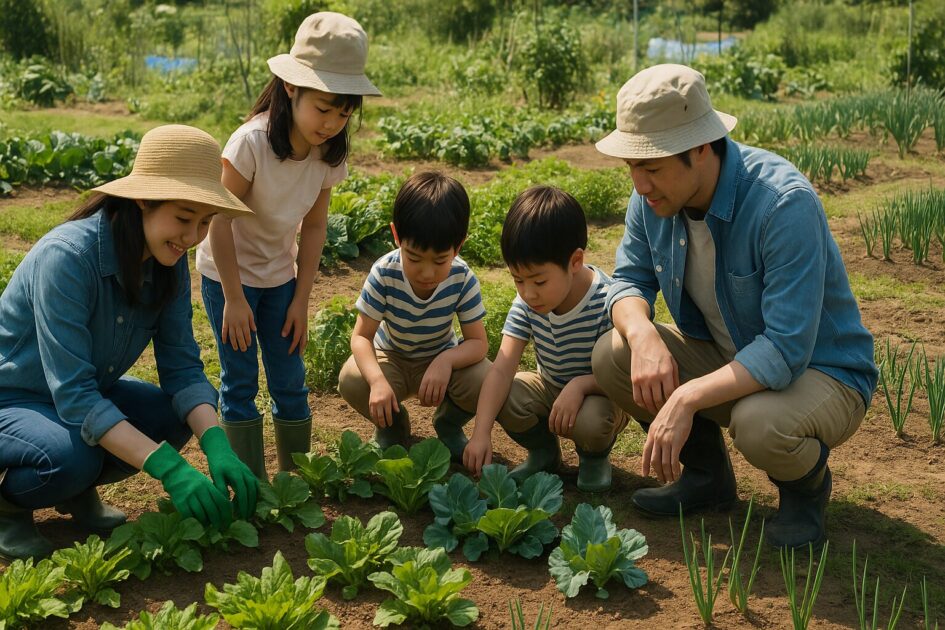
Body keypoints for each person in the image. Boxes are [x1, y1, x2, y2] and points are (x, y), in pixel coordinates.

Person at [591, 64, 877, 547]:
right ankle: (706, 478)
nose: (640, 184)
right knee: (613, 354)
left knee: (759, 423)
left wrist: (686, 396)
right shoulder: (653, 199)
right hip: (730, 358)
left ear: (701, 148)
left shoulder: (783, 204)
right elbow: (628, 280)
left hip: (823, 372)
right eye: (632, 167)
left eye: (652, 167)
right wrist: (642, 337)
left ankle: (805, 492)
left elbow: (785, 349)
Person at [0, 125, 259, 561]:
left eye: (204, 222)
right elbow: (77, 397)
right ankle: (8, 506)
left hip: (78, 396)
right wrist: (169, 469)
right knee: (69, 458)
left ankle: (75, 493)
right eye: (182, 218)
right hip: (13, 399)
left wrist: (217, 442)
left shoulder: (169, 262)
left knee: (173, 417)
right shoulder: (68, 258)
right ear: (142, 199)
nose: (192, 237)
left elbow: (181, 369)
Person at [196, 12, 381, 478]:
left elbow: (315, 228)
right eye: (325, 108)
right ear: (292, 88)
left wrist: (301, 299)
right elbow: (218, 218)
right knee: (239, 379)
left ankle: (293, 482)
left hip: (280, 276)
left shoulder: (327, 153)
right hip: (228, 274)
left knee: (290, 379)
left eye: (344, 112)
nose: (334, 123)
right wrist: (234, 300)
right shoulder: (251, 143)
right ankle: (249, 483)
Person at [463, 186, 626, 492]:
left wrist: (580, 386)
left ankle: (594, 457)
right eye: (518, 280)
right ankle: (544, 453)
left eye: (539, 280)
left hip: (601, 394)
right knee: (504, 392)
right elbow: (502, 367)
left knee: (592, 420)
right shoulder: (528, 300)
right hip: (550, 386)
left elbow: (624, 374)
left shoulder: (607, 300)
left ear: (575, 261)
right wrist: (480, 431)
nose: (528, 293)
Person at [338, 172, 490, 462]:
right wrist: (378, 382)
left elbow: (478, 344)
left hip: (438, 362)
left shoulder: (462, 277)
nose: (427, 273)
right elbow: (360, 337)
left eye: (440, 260)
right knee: (352, 378)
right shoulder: (385, 272)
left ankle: (448, 423)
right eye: (414, 258)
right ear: (397, 237)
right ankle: (393, 425)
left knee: (486, 378)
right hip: (391, 359)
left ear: (458, 246)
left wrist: (446, 361)